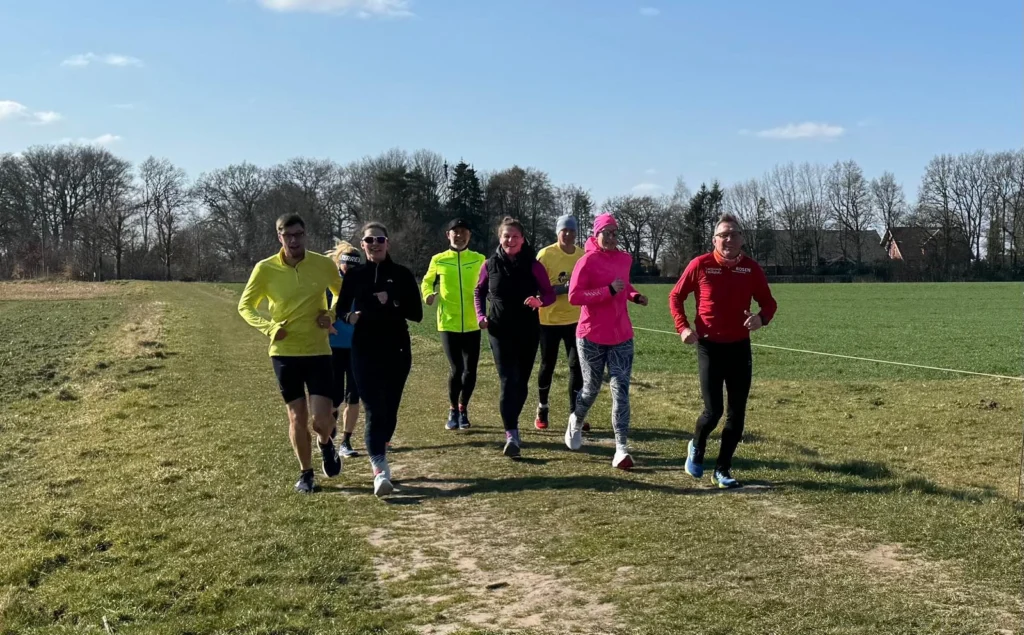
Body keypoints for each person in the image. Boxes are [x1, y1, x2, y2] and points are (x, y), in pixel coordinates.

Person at [669, 213, 778, 489]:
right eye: (723, 235)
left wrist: (760, 319)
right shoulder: (701, 265)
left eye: (734, 234)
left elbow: (769, 303)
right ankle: (697, 445)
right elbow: (676, 296)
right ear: (714, 239)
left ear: (742, 239)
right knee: (713, 410)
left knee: (737, 412)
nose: (729, 239)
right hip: (709, 346)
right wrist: (682, 328)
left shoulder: (751, 269)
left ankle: (723, 469)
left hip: (740, 347)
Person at [238, 214, 343, 494]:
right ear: (279, 237)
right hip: (284, 352)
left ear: (305, 234)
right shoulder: (265, 269)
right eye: (288, 236)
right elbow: (245, 307)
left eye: (299, 235)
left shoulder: (322, 265)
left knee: (322, 421)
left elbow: (342, 292)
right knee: (296, 417)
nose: (294, 241)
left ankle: (325, 443)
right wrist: (269, 328)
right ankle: (306, 474)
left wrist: (331, 314)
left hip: (318, 350)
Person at [335, 222, 423, 497]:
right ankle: (380, 470)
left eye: (380, 239)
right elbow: (340, 309)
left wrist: (392, 299)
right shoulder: (355, 276)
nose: (375, 244)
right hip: (364, 348)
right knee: (373, 408)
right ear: (362, 245)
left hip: (397, 349)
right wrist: (350, 317)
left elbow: (417, 313)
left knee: (390, 411)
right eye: (369, 240)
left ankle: (380, 448)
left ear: (388, 243)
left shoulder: (402, 274)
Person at [563, 213, 648, 470]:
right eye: (606, 233)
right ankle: (576, 420)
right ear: (596, 234)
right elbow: (574, 296)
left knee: (620, 391)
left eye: (614, 233)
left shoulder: (625, 258)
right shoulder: (586, 261)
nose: (611, 238)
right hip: (591, 335)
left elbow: (625, 284)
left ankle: (621, 449)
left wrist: (634, 295)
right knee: (591, 388)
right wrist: (607, 291)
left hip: (621, 334)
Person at [474, 217, 556, 458]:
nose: (510, 240)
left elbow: (550, 294)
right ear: (500, 238)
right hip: (499, 330)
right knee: (508, 380)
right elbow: (478, 291)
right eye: (506, 236)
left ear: (523, 239)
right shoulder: (489, 265)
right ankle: (511, 432)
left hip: (528, 330)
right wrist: (480, 315)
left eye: (515, 236)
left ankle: (513, 422)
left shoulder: (533, 266)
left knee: (521, 384)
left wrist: (539, 301)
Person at [420, 218, 486, 431]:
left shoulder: (479, 259)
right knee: (457, 369)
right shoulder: (439, 259)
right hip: (448, 322)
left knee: (471, 370)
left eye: (464, 232)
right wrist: (428, 294)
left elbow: (490, 282)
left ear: (469, 236)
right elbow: (427, 281)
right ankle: (452, 410)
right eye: (455, 232)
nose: (459, 235)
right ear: (448, 235)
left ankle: (463, 407)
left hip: (473, 323)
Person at [534, 214, 586, 431]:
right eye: (565, 231)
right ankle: (542, 406)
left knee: (577, 366)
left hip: (576, 320)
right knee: (548, 365)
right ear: (558, 232)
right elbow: (537, 287)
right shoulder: (545, 255)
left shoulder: (582, 255)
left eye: (572, 231)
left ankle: (575, 413)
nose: (568, 234)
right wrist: (564, 289)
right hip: (549, 320)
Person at [325, 239, 363, 459]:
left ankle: (346, 441)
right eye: (346, 266)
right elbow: (317, 310)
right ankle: (330, 430)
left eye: (354, 266)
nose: (349, 270)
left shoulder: (363, 285)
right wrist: (326, 325)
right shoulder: (329, 286)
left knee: (354, 395)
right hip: (333, 348)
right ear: (339, 264)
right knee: (334, 396)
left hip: (357, 347)